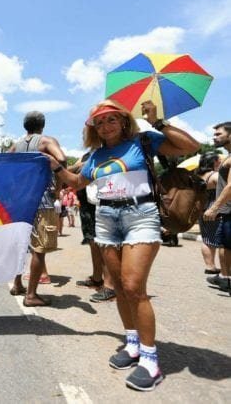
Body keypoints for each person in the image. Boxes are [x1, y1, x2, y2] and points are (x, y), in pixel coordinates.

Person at [48, 99, 198, 391]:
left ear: (124, 121)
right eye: (99, 122)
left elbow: (189, 147)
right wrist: (55, 166)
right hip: (106, 218)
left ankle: (150, 360)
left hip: (139, 216)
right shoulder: (95, 155)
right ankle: (132, 344)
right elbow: (77, 182)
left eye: (111, 120)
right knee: (117, 286)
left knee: (133, 287)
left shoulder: (143, 140)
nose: (105, 126)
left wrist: (158, 122)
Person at [8, 110, 65, 306]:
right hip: (41, 199)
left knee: (21, 246)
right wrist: (58, 188)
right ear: (43, 125)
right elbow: (62, 159)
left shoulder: (16, 146)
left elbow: (5, 163)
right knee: (39, 249)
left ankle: (17, 284)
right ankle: (31, 295)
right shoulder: (46, 141)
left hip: (21, 200)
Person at [70, 152, 116, 302]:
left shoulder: (109, 152)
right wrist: (81, 165)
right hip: (86, 206)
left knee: (105, 244)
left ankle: (110, 286)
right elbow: (70, 171)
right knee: (92, 243)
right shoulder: (86, 155)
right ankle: (97, 278)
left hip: (102, 203)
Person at [204, 122, 231, 295]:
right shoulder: (227, 156)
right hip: (227, 210)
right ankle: (225, 277)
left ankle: (227, 280)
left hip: (228, 209)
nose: (214, 137)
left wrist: (214, 208)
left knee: (225, 246)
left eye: (218, 134)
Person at [196, 152, 223, 275]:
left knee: (207, 239)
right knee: (223, 241)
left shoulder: (197, 176)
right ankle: (223, 269)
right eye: (219, 160)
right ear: (214, 162)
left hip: (203, 209)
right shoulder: (215, 175)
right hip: (216, 210)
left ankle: (210, 266)